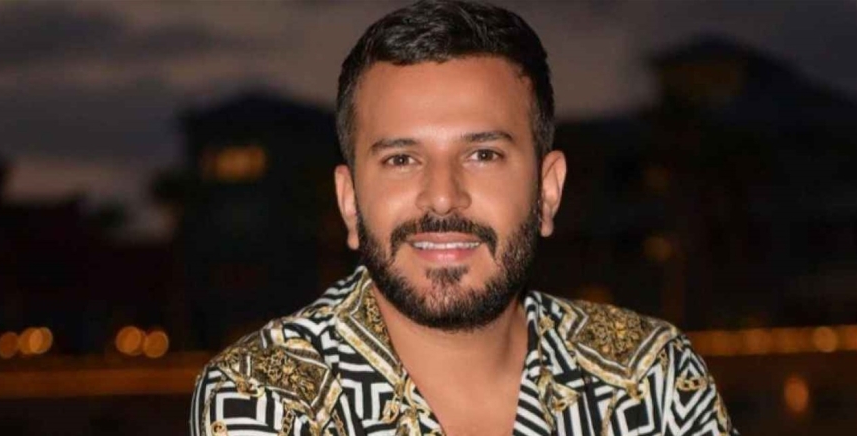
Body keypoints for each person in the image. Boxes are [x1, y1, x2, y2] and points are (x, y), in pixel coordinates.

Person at [189, 1, 737, 435]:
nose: (443, 197)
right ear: (350, 200)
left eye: (483, 154)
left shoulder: (649, 375)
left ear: (547, 191)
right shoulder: (266, 399)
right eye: (401, 159)